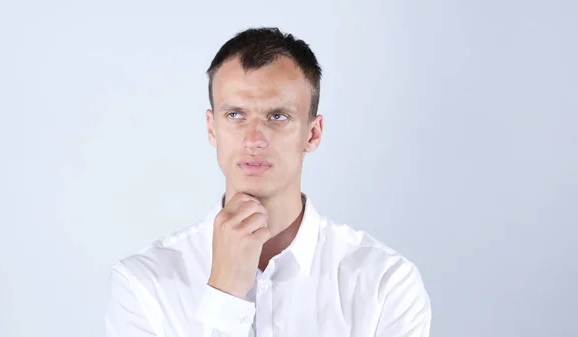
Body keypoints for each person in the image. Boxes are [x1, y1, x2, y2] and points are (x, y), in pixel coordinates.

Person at [105, 27, 432, 337]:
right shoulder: (143, 284)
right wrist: (225, 291)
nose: (253, 139)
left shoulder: (385, 283)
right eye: (235, 115)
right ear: (211, 128)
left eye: (277, 117)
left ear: (312, 133)